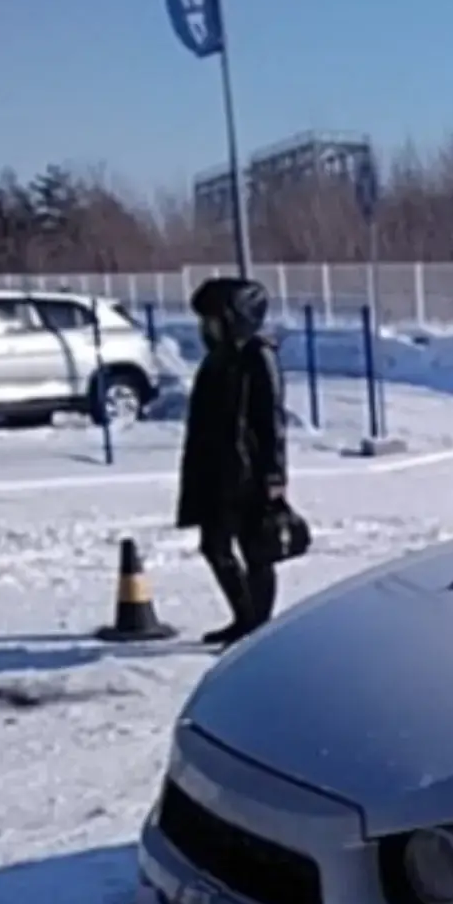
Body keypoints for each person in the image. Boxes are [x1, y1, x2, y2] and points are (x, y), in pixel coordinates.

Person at [175, 276, 288, 647]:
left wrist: (273, 472)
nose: (205, 328)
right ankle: (244, 616)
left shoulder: (259, 355)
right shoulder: (217, 359)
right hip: (215, 469)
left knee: (256, 550)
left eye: (212, 319)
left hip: (247, 471)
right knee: (215, 546)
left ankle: (257, 626)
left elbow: (270, 419)